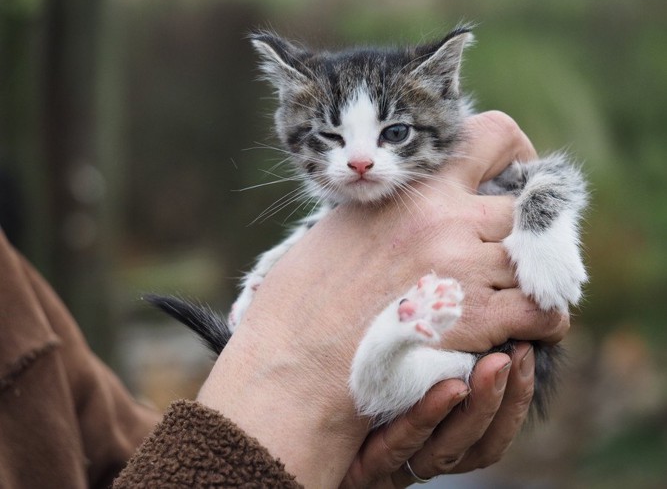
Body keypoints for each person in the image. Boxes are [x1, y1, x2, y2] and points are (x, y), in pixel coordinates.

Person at [0, 112, 569, 488]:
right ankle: (387, 344)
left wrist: (311, 463)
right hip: (397, 363)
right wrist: (290, 389)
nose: (362, 159)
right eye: (333, 139)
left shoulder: (18, 306)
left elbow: (120, 462)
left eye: (391, 134)